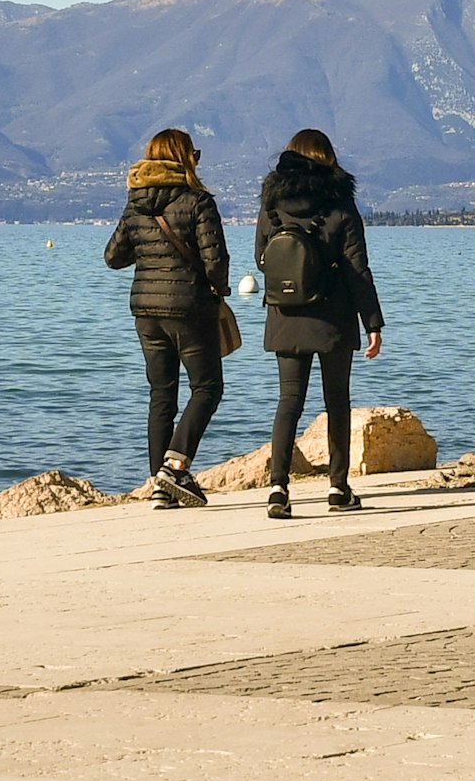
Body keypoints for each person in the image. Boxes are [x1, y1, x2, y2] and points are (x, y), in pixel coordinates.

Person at [254, 127, 382, 519]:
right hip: (332, 319)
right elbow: (357, 270)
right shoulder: (339, 205)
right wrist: (373, 322)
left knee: (288, 400)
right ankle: (337, 488)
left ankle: (278, 488)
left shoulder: (271, 205)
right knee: (336, 400)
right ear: (328, 158)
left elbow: (262, 258)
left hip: (284, 316)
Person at [106, 127, 230, 506]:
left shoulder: (136, 202)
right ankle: (174, 468)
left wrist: (148, 248)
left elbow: (113, 257)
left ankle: (159, 487)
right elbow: (216, 262)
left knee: (162, 394)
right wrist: (218, 290)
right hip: (189, 307)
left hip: (145, 309)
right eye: (195, 153)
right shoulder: (197, 201)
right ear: (184, 158)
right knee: (207, 388)